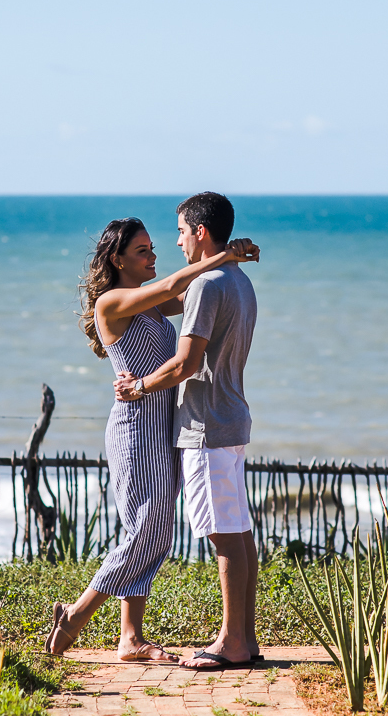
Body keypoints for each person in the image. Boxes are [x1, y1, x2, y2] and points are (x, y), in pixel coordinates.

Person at [45, 216, 258, 661]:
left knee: (150, 527)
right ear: (117, 259)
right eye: (142, 251)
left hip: (166, 424)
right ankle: (78, 614)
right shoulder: (113, 302)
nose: (153, 256)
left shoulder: (152, 306)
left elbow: (198, 293)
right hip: (136, 428)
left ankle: (130, 637)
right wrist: (224, 254)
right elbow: (176, 283)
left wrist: (226, 263)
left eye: (153, 248)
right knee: (149, 527)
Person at [113, 192, 259, 671]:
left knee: (223, 535)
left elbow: (184, 363)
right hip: (232, 417)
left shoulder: (206, 286)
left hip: (205, 425)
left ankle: (233, 643)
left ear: (199, 232)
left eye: (179, 232)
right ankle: (243, 638)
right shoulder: (237, 280)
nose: (175, 243)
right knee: (238, 532)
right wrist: (230, 253)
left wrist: (139, 386)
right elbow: (173, 291)